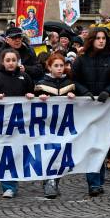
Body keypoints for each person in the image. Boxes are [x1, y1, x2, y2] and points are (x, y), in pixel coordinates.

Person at [71, 27, 110, 196]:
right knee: (90, 145)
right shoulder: (81, 60)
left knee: (103, 144)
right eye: (98, 38)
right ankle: (93, 182)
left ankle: (99, 180)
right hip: (87, 108)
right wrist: (84, 92)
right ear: (92, 40)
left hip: (106, 108)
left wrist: (108, 91)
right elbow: (74, 80)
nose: (101, 41)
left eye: (104, 38)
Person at [34, 53, 85, 199]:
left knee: (60, 154)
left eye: (62, 65)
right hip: (46, 126)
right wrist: (38, 98)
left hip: (63, 126)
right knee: (48, 152)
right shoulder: (41, 84)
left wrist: (74, 98)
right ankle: (48, 180)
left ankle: (54, 181)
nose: (59, 68)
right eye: (56, 66)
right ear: (49, 67)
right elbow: (29, 102)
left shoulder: (69, 84)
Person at [0, 48, 34, 198]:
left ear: (18, 61)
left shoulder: (25, 76)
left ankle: (15, 181)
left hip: (20, 123)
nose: (11, 63)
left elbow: (32, 91)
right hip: (2, 123)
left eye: (14, 60)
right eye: (8, 60)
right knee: (5, 153)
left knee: (18, 152)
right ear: (2, 62)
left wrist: (30, 95)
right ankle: (8, 186)